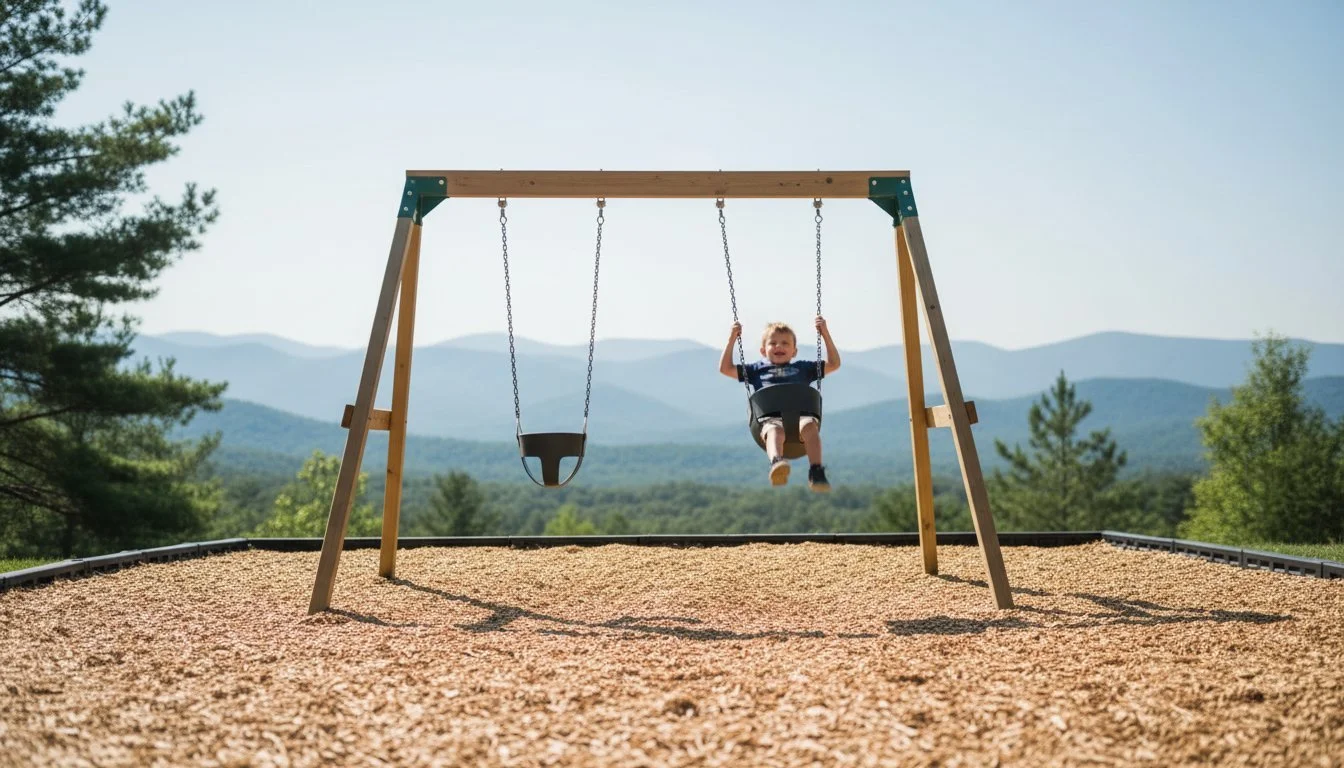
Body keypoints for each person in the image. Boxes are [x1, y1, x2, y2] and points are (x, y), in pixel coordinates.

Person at [718, 316, 841, 490]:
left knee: (809, 426)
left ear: (794, 351)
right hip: (770, 418)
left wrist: (825, 334)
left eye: (785, 343)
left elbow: (834, 364)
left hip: (801, 415)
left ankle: (816, 471)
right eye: (773, 343)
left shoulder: (804, 368)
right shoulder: (755, 370)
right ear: (763, 350)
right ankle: (777, 463)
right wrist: (732, 338)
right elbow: (725, 368)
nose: (779, 346)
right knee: (775, 430)